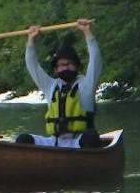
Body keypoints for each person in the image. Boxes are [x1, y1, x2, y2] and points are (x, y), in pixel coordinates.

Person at [16, 18, 102, 148]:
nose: (65, 68)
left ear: (78, 67)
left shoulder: (87, 84)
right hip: (55, 141)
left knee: (92, 137)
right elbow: (32, 65)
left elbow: (96, 59)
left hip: (80, 141)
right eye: (61, 65)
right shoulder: (50, 86)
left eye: (69, 64)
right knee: (23, 139)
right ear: (56, 69)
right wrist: (31, 40)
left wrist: (87, 33)